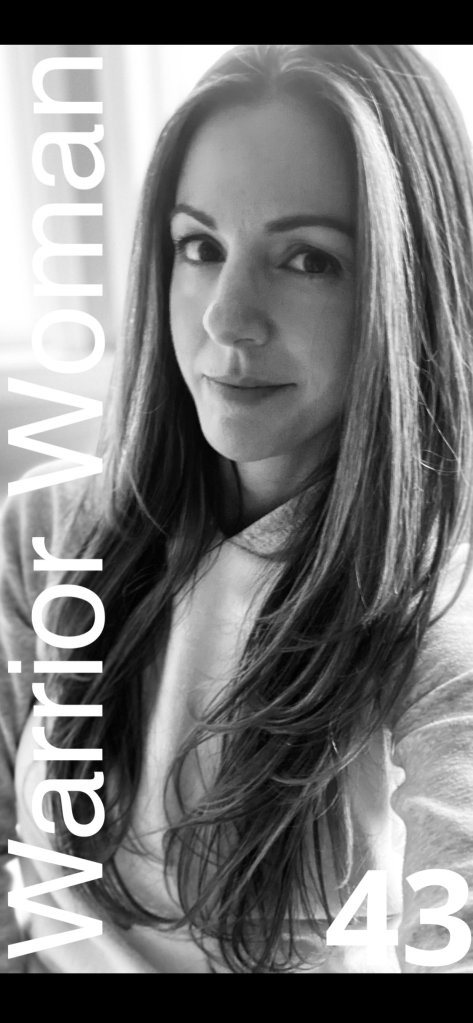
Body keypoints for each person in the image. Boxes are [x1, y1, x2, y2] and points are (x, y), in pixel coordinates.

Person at [1, 43, 473, 974]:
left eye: (307, 259)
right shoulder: (48, 529)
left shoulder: (437, 631)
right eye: (200, 247)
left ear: (409, 288)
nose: (225, 317)